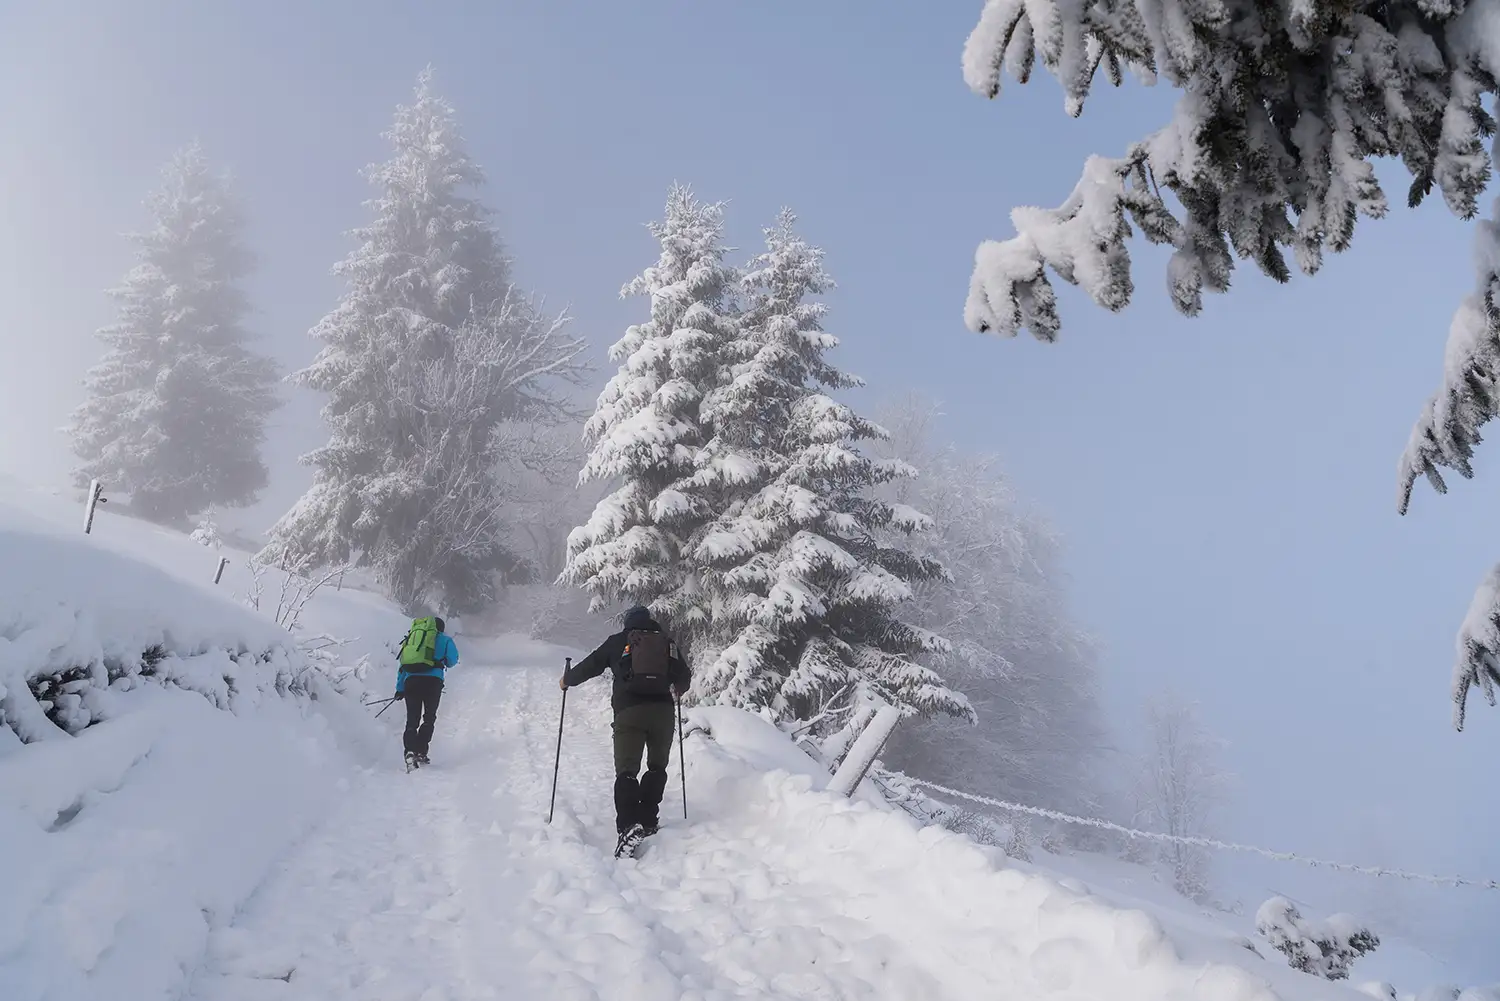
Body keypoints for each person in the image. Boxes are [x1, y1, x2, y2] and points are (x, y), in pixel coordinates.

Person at [561, 605, 690, 853]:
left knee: (627, 771)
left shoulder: (618, 641)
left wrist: (567, 680)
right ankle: (649, 820)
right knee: (657, 767)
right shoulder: (667, 643)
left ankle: (629, 826)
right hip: (662, 714)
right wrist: (676, 687)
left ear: (628, 623)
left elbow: (591, 665)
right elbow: (683, 677)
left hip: (629, 713)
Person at [395, 615, 459, 770]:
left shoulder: (413, 638)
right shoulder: (445, 640)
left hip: (411, 681)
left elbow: (403, 666)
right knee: (429, 717)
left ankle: (410, 751)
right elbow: (452, 660)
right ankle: (421, 751)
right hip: (433, 682)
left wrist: (400, 689)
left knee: (412, 719)